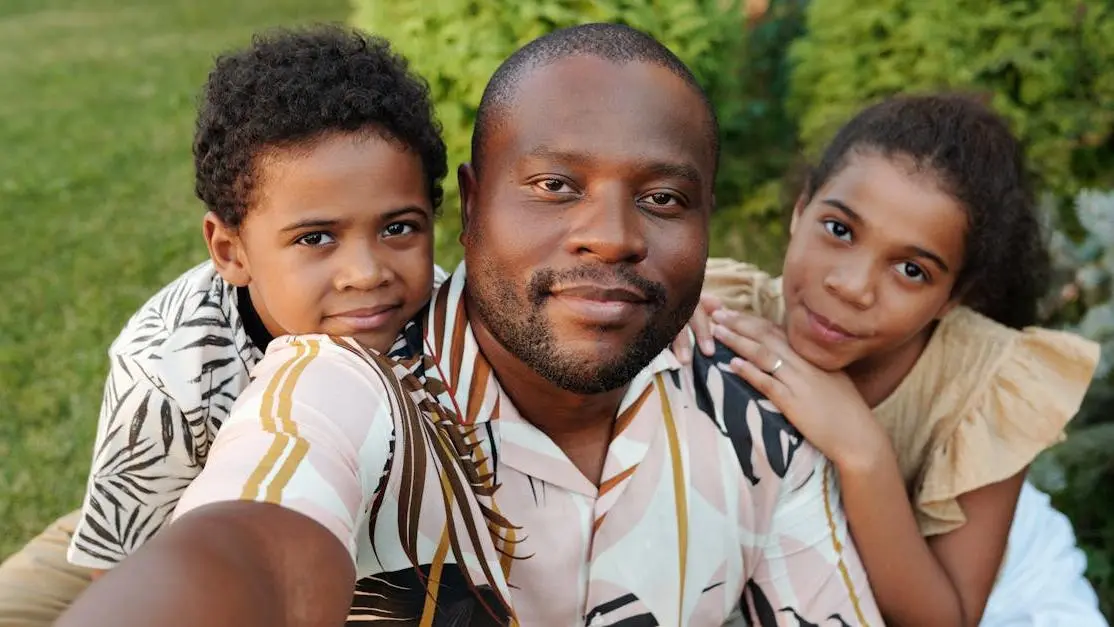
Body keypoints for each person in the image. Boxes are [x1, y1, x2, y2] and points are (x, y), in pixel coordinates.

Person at [57, 23, 884, 627]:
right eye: (556, 186)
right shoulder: (339, 370)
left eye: (664, 199)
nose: (614, 236)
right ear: (475, 202)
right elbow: (256, 542)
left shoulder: (761, 418)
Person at [0, 25, 448, 627]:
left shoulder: (451, 328)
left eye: (398, 228)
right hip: (162, 522)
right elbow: (127, 560)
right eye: (316, 238)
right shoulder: (165, 366)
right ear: (231, 249)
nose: (366, 274)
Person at [698, 95, 1101, 626]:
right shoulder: (719, 311)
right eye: (839, 230)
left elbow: (941, 621)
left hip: (986, 564)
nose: (851, 286)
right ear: (801, 210)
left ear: (954, 297)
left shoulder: (985, 388)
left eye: (911, 270)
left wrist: (862, 450)